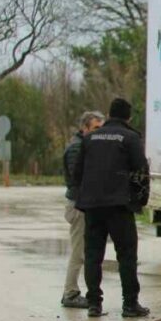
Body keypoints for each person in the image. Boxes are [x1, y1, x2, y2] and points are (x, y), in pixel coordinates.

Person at [73, 98, 151, 318]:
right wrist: (139, 201)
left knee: (93, 256)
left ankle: (94, 304)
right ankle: (130, 304)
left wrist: (83, 196)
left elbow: (77, 173)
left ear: (108, 114)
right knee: (126, 255)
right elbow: (141, 172)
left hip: (93, 206)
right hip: (119, 207)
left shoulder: (89, 139)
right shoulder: (131, 138)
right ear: (129, 117)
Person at [60, 111, 106, 308]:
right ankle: (70, 293)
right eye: (96, 128)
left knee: (84, 252)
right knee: (78, 252)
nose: (99, 132)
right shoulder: (77, 147)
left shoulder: (84, 145)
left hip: (83, 204)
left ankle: (73, 291)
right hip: (78, 206)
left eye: (101, 128)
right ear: (85, 128)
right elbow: (77, 178)